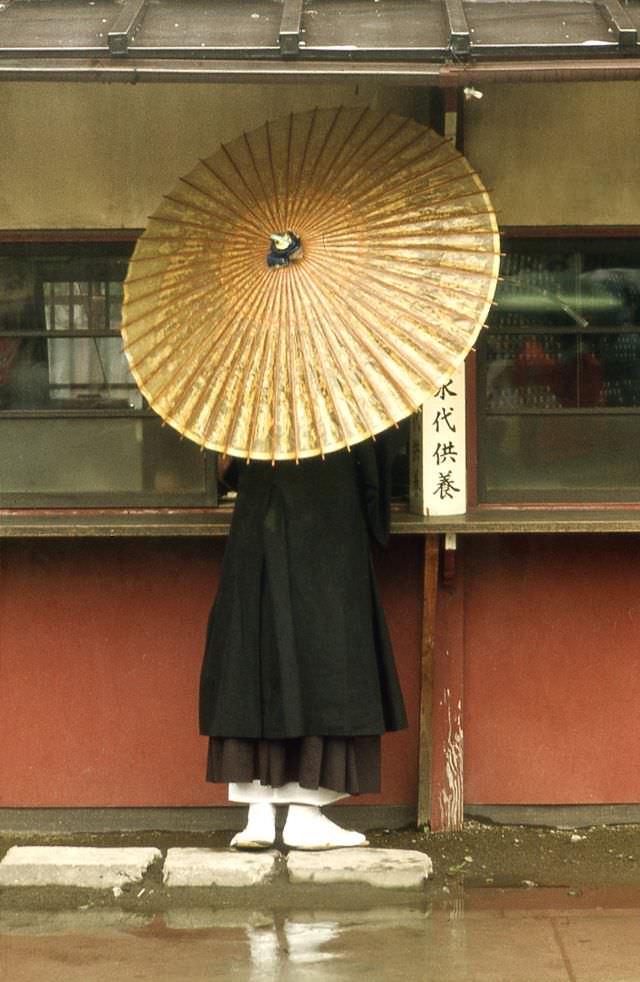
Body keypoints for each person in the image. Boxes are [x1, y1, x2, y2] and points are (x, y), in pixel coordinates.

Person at [199, 428, 407, 850]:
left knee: (255, 650)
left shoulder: (258, 381)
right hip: (328, 524)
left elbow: (234, 468)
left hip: (259, 522)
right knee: (322, 659)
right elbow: (373, 480)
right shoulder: (346, 389)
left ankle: (257, 813)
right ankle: (305, 813)